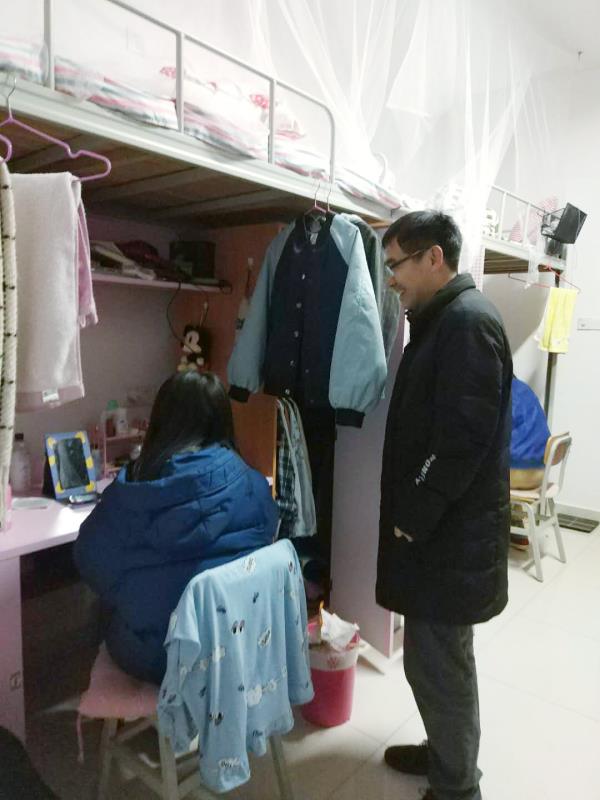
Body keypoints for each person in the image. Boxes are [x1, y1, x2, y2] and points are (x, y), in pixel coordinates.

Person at [376, 211, 512, 800]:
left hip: (447, 537)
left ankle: (457, 788)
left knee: (441, 666)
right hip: (441, 534)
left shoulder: (466, 324)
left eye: (396, 265)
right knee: (436, 662)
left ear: (434, 257)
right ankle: (445, 755)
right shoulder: (444, 321)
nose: (391, 279)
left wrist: (415, 512)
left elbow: (460, 440)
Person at [75, 371, 278, 685]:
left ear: (160, 421)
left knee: (99, 609)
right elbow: (265, 541)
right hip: (234, 644)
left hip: (157, 659)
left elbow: (89, 560)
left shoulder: (128, 495)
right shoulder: (253, 483)